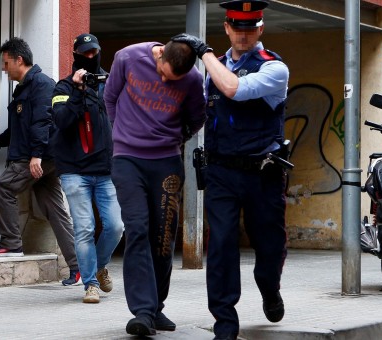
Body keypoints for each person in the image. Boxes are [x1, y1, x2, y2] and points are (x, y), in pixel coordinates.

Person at [172, 1, 291, 339]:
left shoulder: (274, 68)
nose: (243, 34)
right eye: (237, 27)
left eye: (250, 27)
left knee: (269, 246)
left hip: (263, 173)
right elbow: (204, 112)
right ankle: (224, 322)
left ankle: (269, 287)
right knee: (222, 243)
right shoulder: (217, 66)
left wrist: (203, 52)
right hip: (222, 171)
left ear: (260, 29)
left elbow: (235, 89)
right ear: (227, 27)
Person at [104, 38, 207, 336]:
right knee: (137, 228)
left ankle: (156, 307)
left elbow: (197, 117)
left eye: (172, 80)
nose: (164, 80)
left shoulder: (192, 80)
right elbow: (109, 98)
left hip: (166, 163)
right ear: (160, 53)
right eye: (163, 73)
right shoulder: (127, 57)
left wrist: (176, 138)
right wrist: (121, 135)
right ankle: (142, 311)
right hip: (128, 160)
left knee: (162, 238)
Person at [0, 37, 80, 286]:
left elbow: (43, 122)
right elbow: (18, 128)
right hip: (44, 158)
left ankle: (11, 243)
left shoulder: (41, 85)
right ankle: (78, 267)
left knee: (4, 187)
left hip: (39, 157)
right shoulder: (25, 87)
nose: (4, 69)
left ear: (20, 60)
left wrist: (36, 155)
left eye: (6, 63)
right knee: (56, 212)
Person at [51, 33, 124, 304]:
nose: (90, 57)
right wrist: (78, 91)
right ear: (76, 56)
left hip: (107, 170)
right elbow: (61, 121)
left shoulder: (111, 84)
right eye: (85, 54)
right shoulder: (62, 88)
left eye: (94, 53)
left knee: (116, 226)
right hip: (74, 171)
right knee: (84, 228)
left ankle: (99, 266)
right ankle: (90, 283)